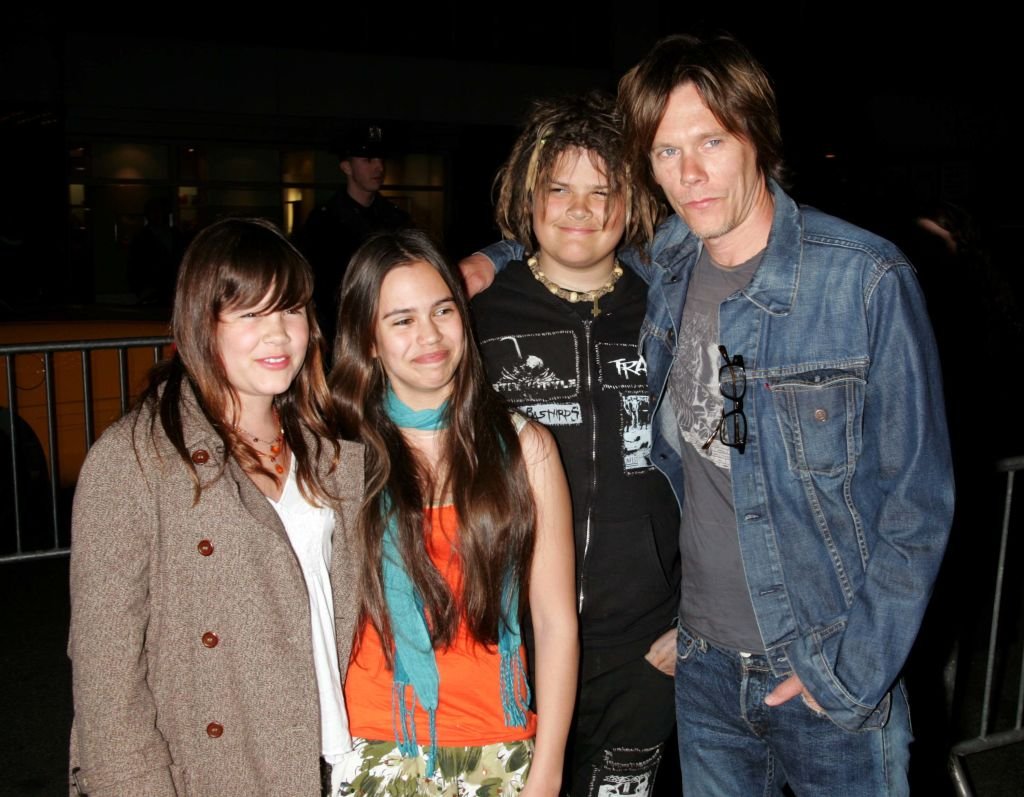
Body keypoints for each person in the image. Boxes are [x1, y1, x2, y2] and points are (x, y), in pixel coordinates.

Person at [464, 33, 954, 796]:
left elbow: (918, 504)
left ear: (757, 133)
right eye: (663, 152)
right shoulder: (671, 265)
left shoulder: (864, 280)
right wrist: (489, 258)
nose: (688, 174)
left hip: (824, 675)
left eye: (711, 141)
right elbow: (572, 237)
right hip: (702, 676)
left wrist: (850, 675)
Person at [68, 218, 364, 797]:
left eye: (291, 310)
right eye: (250, 314)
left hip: (336, 756)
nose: (278, 336)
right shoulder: (134, 461)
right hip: (212, 771)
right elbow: (106, 671)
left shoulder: (331, 450)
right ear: (200, 321)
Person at [470, 92, 679, 796]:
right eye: (559, 189)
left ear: (633, 200)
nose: (580, 209)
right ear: (530, 197)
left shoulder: (671, 312)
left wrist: (697, 621)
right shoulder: (474, 315)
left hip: (644, 648)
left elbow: (725, 473)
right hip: (505, 645)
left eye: (602, 190)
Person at [329, 228, 578, 796]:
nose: (430, 336)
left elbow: (556, 622)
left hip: (501, 741)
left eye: (443, 310)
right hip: (372, 740)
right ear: (367, 339)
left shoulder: (524, 448)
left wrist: (549, 768)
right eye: (401, 320)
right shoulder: (338, 453)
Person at [294, 124, 413, 349]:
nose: (378, 167)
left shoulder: (397, 219)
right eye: (368, 160)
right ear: (346, 167)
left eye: (380, 160)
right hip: (341, 335)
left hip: (391, 328)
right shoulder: (322, 223)